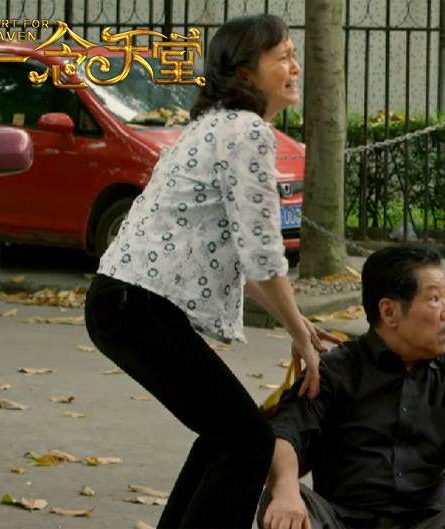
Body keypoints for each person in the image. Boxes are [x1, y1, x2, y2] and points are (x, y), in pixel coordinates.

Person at [84, 14, 338, 529]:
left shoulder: (215, 124)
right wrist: (298, 333)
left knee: (227, 437)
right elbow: (263, 254)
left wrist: (298, 324)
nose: (295, 67)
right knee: (247, 441)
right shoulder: (247, 131)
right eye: (283, 57)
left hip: (123, 304)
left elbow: (247, 260)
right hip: (139, 307)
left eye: (294, 55)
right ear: (244, 73)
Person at [261, 244, 445, 529]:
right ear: (389, 312)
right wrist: (285, 489)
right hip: (340, 522)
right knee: (277, 500)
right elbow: (284, 434)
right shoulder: (336, 370)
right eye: (434, 299)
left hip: (426, 524)